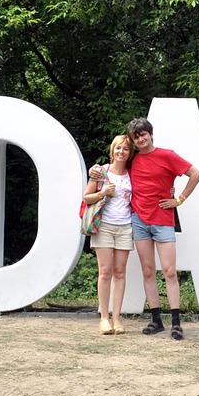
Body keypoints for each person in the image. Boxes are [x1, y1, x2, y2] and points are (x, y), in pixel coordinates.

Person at [91, 117, 199, 340]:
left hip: (163, 220)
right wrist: (96, 169)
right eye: (136, 137)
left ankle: (176, 323)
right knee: (148, 271)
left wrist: (179, 200)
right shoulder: (133, 161)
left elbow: (195, 174)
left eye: (143, 134)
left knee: (170, 271)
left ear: (150, 134)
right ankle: (156, 320)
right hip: (139, 221)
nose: (140, 139)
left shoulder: (167, 155)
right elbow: (114, 166)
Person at [81, 135, 135, 335]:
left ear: (130, 154)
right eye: (118, 148)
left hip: (125, 227)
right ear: (112, 151)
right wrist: (103, 192)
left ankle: (117, 317)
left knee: (120, 272)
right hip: (103, 226)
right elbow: (87, 198)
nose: (121, 152)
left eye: (126, 149)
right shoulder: (101, 172)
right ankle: (104, 318)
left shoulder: (132, 174)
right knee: (105, 272)